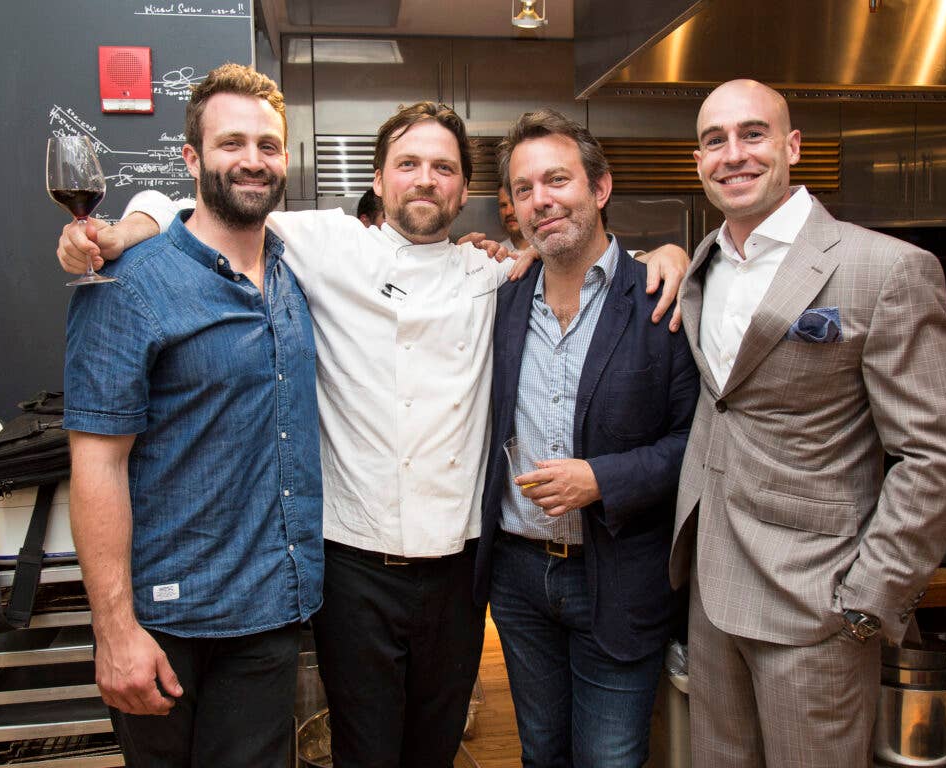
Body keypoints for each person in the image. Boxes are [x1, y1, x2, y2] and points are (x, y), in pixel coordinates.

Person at [57, 98, 690, 768]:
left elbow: (585, 258)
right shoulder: (326, 245)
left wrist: (664, 254)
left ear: (464, 188)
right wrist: (128, 228)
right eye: (408, 164)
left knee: (436, 749)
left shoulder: (495, 274)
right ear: (380, 181)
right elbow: (209, 209)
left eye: (443, 167)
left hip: (459, 571)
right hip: (354, 569)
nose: (425, 179)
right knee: (364, 751)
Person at [668, 79, 946, 767]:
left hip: (819, 604)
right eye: (715, 140)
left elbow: (935, 455)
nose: (733, 154)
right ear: (698, 163)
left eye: (753, 134)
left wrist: (869, 602)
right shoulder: (702, 265)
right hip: (714, 594)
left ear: (792, 147)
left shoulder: (886, 269)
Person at [63, 64, 323, 768]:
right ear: (191, 159)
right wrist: (113, 629)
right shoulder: (127, 285)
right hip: (168, 624)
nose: (252, 160)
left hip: (272, 611)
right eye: (230, 143)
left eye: (268, 146)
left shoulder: (297, 271)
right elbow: (97, 463)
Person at [474, 109, 699, 767]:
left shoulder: (663, 298)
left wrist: (603, 479)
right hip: (518, 577)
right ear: (511, 210)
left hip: (621, 575)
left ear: (598, 189)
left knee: (610, 758)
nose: (542, 199)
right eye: (524, 189)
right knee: (540, 753)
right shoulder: (501, 296)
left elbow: (698, 442)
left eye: (557, 179)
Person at [496, 182, 527, 251]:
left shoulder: (549, 253)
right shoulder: (495, 254)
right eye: (503, 205)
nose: (508, 212)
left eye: (514, 203)